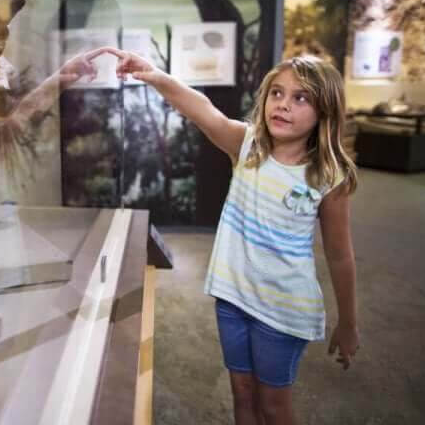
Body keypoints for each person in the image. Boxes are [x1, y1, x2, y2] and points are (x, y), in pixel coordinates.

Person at [104, 48, 359, 425]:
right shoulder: (247, 146)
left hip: (282, 310)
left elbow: (340, 255)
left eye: (300, 98)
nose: (283, 105)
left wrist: (349, 323)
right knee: (241, 392)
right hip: (233, 298)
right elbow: (202, 109)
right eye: (277, 93)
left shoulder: (327, 176)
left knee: (273, 405)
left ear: (325, 111)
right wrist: (155, 74)